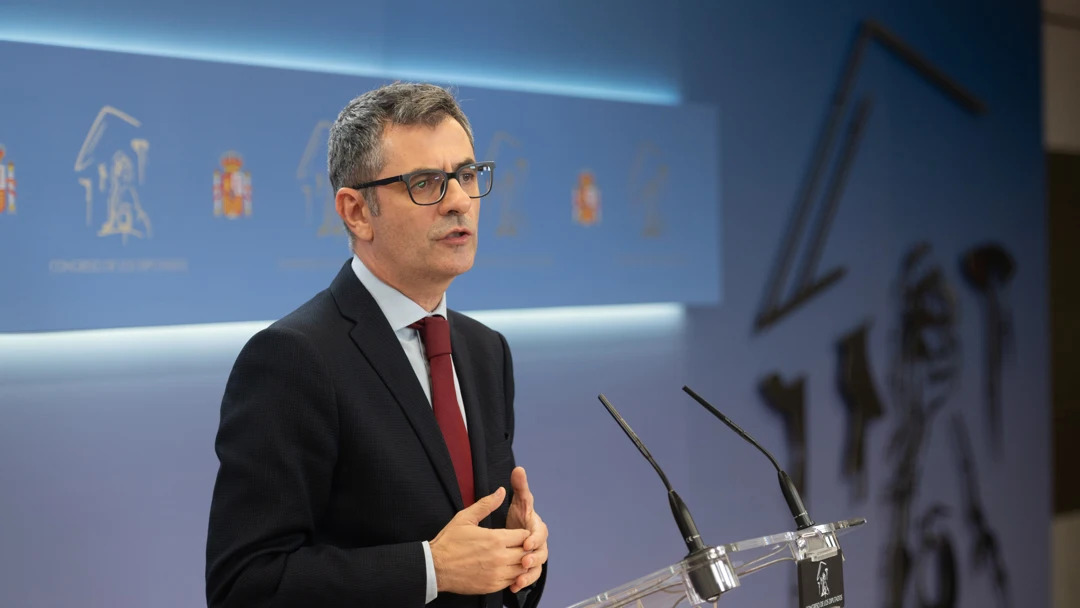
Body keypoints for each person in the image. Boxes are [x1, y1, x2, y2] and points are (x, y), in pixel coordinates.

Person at [205, 82, 549, 608]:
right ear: (356, 211)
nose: (459, 200)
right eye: (426, 183)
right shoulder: (293, 359)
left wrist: (521, 557)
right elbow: (246, 585)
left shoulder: (485, 352)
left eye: (466, 175)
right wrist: (429, 569)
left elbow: (477, 564)